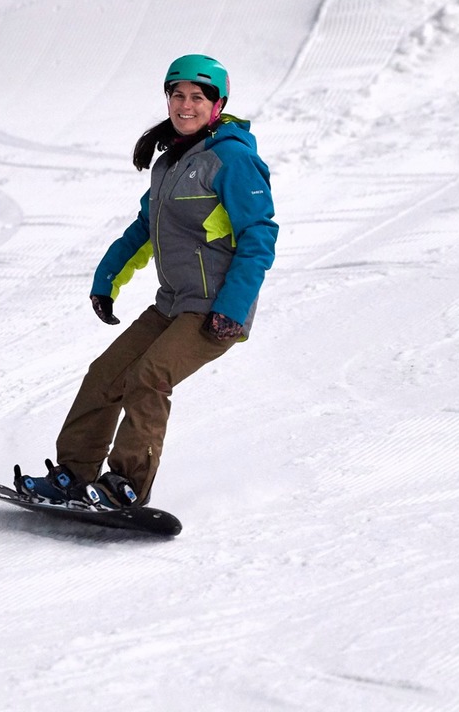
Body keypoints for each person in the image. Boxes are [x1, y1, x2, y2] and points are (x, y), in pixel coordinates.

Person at [15, 54, 278, 508]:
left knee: (149, 376)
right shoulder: (171, 162)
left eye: (198, 97)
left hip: (215, 308)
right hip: (172, 304)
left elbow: (259, 236)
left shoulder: (233, 160)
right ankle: (74, 476)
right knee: (106, 375)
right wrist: (106, 279)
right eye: (178, 95)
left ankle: (127, 485)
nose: (186, 105)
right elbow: (145, 228)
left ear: (218, 105)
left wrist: (232, 310)